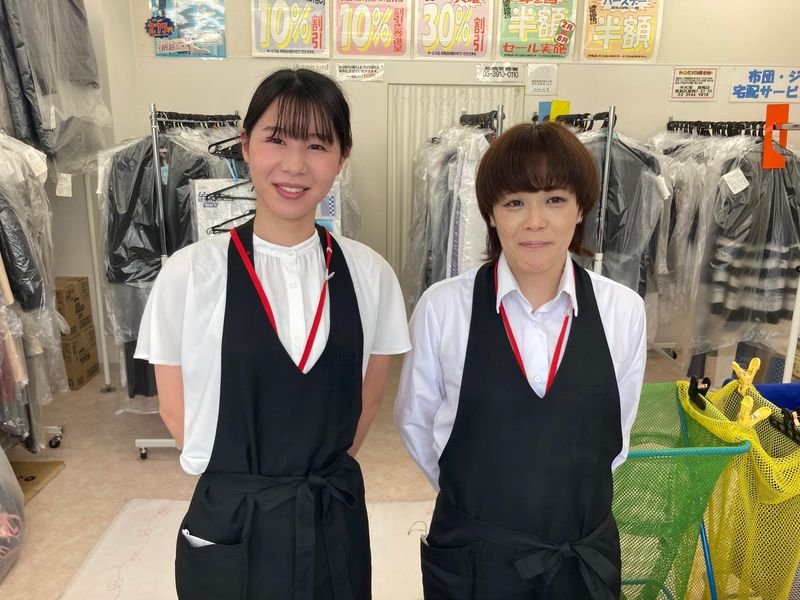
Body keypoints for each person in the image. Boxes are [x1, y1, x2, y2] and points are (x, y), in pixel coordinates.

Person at [136, 68, 410, 600]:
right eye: (276, 140)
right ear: (245, 146)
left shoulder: (370, 274)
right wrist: (249, 480)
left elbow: (367, 402)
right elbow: (175, 409)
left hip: (330, 514)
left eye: (317, 145)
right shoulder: (191, 272)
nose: (295, 164)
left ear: (342, 157)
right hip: (232, 518)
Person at [394, 122, 647, 600]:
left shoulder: (622, 311)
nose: (535, 221)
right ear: (490, 214)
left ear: (580, 209)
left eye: (555, 199)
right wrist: (481, 509)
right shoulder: (443, 308)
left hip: (579, 560)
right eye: (514, 202)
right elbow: (416, 423)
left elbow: (615, 437)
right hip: (475, 557)